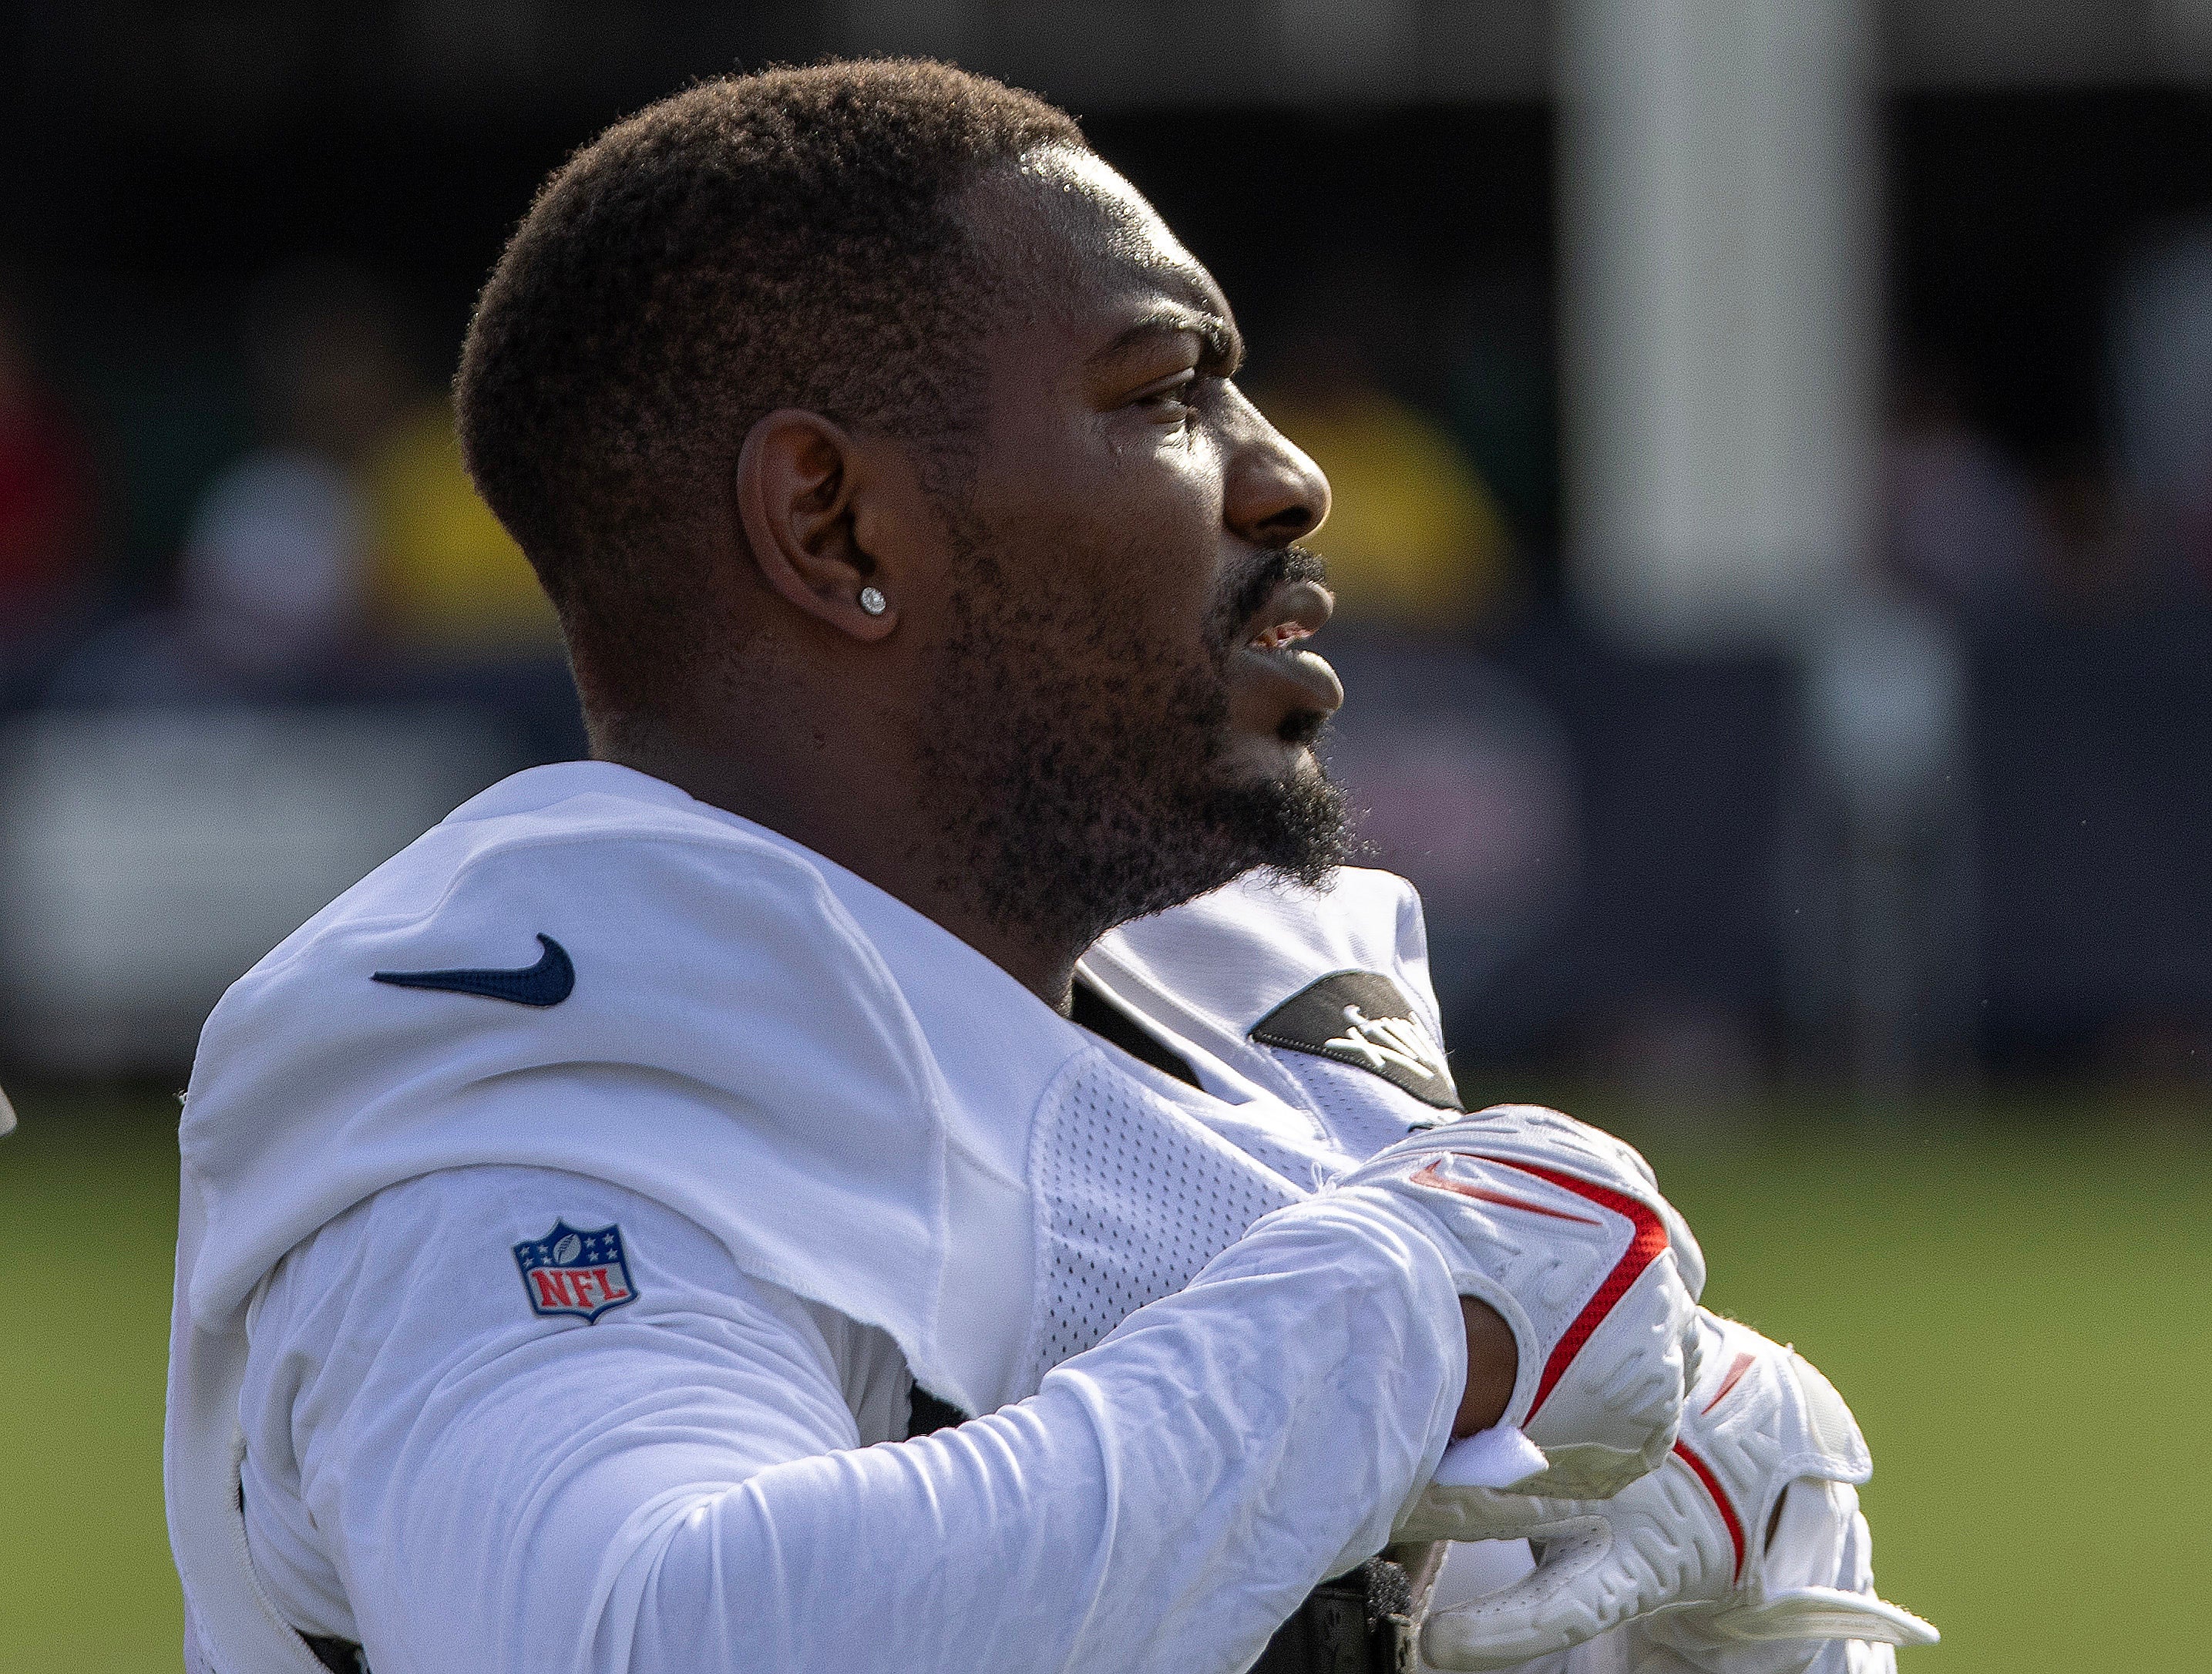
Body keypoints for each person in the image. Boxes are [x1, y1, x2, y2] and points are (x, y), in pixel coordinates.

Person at [163, 62, 1928, 1674]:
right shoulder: (536, 1104)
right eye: (1164, 392)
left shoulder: (1239, 990)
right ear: (835, 524)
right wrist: (1417, 1313)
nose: (1292, 480)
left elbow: (1170, 1513)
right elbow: (632, 1630)